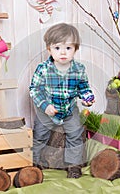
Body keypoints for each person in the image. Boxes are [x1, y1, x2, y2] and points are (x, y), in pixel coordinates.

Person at [29, 23, 95, 178]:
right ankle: (34, 162)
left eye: (68, 48)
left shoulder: (79, 69)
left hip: (69, 110)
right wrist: (45, 106)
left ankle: (73, 165)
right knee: (39, 135)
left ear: (75, 49)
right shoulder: (43, 69)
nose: (63, 52)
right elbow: (34, 89)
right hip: (47, 110)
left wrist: (87, 98)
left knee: (75, 134)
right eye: (57, 48)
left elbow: (83, 87)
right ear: (49, 49)